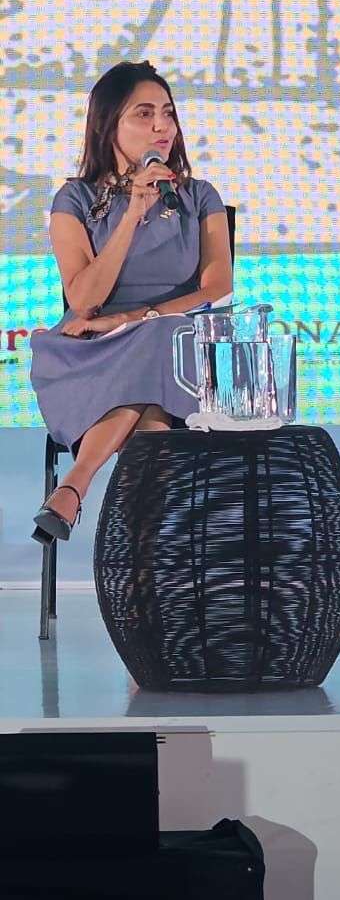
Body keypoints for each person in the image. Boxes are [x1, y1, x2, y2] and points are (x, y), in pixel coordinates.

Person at [30, 60, 232, 544]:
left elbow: (217, 288)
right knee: (151, 416)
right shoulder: (74, 199)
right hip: (93, 354)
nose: (162, 126)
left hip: (180, 349)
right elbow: (84, 301)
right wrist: (132, 214)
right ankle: (144, 558)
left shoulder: (199, 196)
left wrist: (135, 318)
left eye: (168, 113)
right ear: (109, 126)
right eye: (144, 114)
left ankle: (75, 485)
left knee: (160, 341)